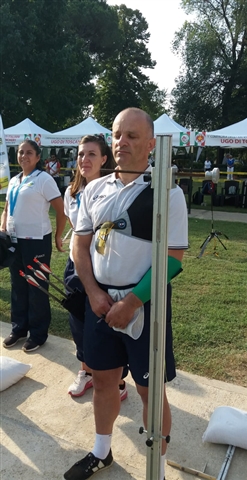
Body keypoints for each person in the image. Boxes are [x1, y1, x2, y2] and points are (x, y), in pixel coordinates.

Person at [63, 108, 188, 480]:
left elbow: (174, 259)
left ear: (151, 143)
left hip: (145, 309)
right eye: (117, 135)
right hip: (99, 305)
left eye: (132, 136)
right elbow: (78, 248)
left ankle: (158, 469)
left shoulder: (167, 192)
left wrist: (132, 302)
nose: (122, 142)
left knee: (150, 392)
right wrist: (94, 293)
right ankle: (102, 451)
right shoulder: (96, 187)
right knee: (103, 382)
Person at [64, 135, 127, 400]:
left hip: (103, 268)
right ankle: (86, 372)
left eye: (91, 154)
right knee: (78, 322)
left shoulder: (114, 191)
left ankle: (119, 381)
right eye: (80, 154)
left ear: (104, 159)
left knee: (108, 327)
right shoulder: (72, 192)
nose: (84, 159)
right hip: (76, 267)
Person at [1, 139, 66, 352]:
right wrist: (3, 229)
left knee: (37, 287)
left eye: (29, 153)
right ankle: (19, 328)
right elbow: (8, 207)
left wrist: (58, 236)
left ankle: (38, 334)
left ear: (38, 157)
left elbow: (60, 209)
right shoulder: (15, 180)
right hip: (15, 241)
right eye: (21, 152)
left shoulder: (43, 179)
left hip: (37, 241)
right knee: (18, 286)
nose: (24, 156)